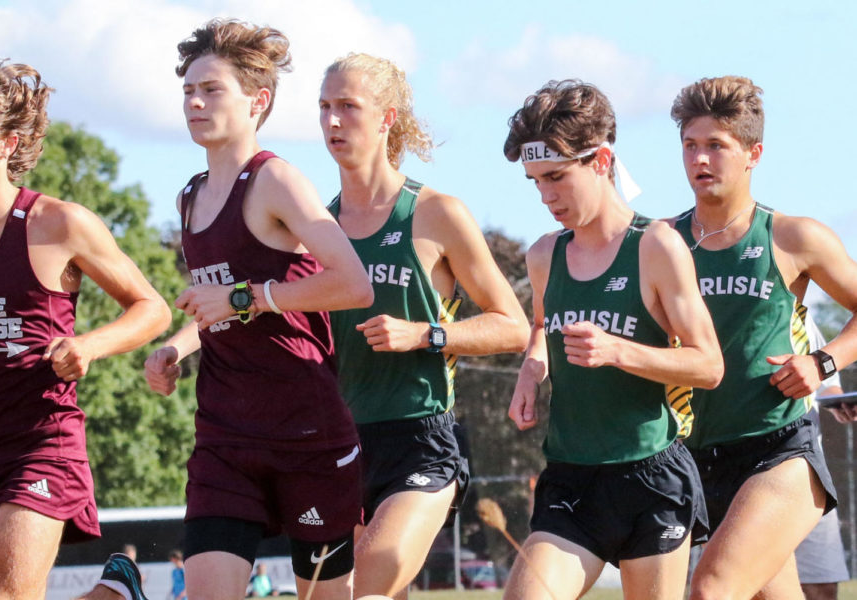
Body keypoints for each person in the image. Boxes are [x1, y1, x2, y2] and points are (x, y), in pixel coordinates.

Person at [142, 19, 373, 600]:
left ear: (257, 101)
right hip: (224, 437)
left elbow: (353, 284)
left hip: (307, 431)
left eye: (211, 89)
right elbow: (216, 306)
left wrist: (247, 297)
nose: (195, 101)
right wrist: (177, 345)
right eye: (188, 91)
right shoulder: (190, 197)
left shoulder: (275, 181)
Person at [501, 79, 724, 600]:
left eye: (557, 176)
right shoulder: (543, 256)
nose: (546, 194)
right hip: (571, 479)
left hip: (652, 479)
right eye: (535, 181)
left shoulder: (658, 247)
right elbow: (541, 324)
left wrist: (618, 350)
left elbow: (709, 364)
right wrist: (533, 368)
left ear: (601, 160)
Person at [0, 59, 171, 600]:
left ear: (7, 143)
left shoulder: (57, 224)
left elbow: (152, 308)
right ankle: (114, 595)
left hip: (39, 442)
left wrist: (87, 346)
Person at [318, 53, 530, 599]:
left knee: (367, 581)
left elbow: (513, 326)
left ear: (387, 117)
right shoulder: (315, 226)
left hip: (420, 439)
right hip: (338, 444)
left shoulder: (434, 214)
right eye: (324, 108)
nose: (332, 121)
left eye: (348, 106)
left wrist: (426, 334)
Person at [668, 75, 857, 600]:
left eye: (715, 146)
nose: (699, 160)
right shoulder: (660, 242)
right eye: (689, 146)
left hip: (781, 449)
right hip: (694, 454)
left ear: (753, 153)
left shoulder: (793, 236)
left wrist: (822, 362)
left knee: (712, 590)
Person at [796, 314, 852, 600]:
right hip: (732, 467)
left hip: (808, 474)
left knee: (822, 585)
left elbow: (827, 382)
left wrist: (838, 400)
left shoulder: (799, 315)